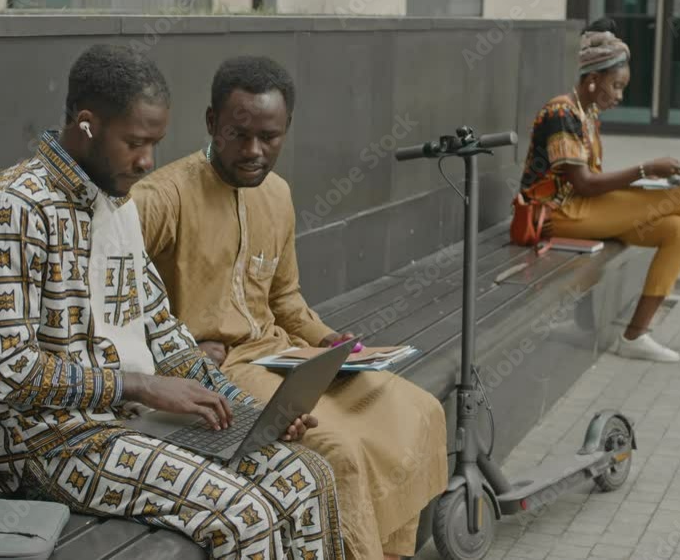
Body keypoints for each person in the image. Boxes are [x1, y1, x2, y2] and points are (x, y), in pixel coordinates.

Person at [0, 44, 345, 560]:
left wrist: (255, 415)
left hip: (132, 419)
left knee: (304, 475)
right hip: (49, 444)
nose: (147, 161)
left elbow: (165, 334)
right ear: (87, 124)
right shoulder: (13, 208)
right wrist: (140, 384)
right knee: (245, 515)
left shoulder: (116, 203)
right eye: (135, 143)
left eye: (155, 144)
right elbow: (2, 369)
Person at [133, 56, 448, 560]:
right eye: (239, 134)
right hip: (220, 372)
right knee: (339, 450)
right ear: (212, 122)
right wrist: (172, 353)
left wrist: (329, 340)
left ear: (287, 129)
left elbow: (284, 299)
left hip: (285, 354)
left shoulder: (276, 193)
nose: (254, 151)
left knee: (417, 410)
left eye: (269, 137)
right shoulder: (160, 198)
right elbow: (107, 299)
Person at [518, 19, 680, 363]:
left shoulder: (587, 112)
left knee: (679, 230)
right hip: (554, 216)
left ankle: (635, 335)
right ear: (592, 80)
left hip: (581, 207)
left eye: (622, 88)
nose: (619, 96)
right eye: (616, 86)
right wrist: (644, 170)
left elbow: (589, 181)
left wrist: (644, 181)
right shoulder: (561, 112)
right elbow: (583, 183)